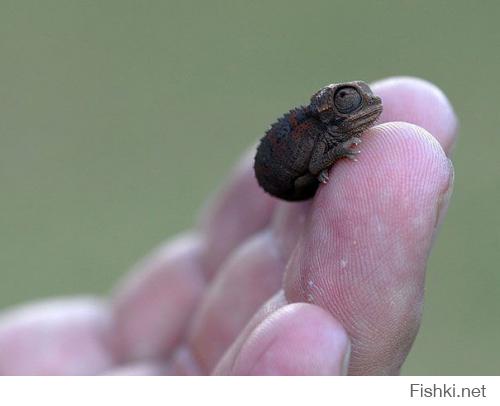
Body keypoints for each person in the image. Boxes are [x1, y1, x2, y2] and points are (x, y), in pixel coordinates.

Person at [0, 76, 457, 375]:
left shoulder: (325, 128)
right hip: (281, 175)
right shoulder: (320, 131)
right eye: (348, 101)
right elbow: (316, 159)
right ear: (329, 109)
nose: (365, 108)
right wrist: (333, 158)